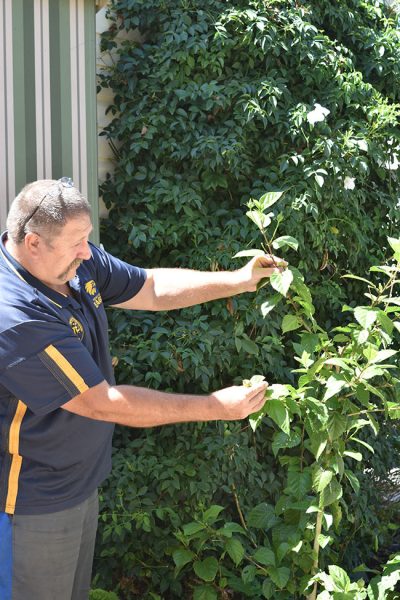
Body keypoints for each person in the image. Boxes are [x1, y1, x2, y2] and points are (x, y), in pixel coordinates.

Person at [0, 178, 286, 600]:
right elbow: (103, 403)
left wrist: (239, 280)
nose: (87, 251)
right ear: (33, 242)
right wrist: (215, 406)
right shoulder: (17, 316)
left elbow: (150, 287)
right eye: (76, 242)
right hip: (33, 501)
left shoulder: (77, 263)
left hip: (79, 482)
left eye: (87, 240)